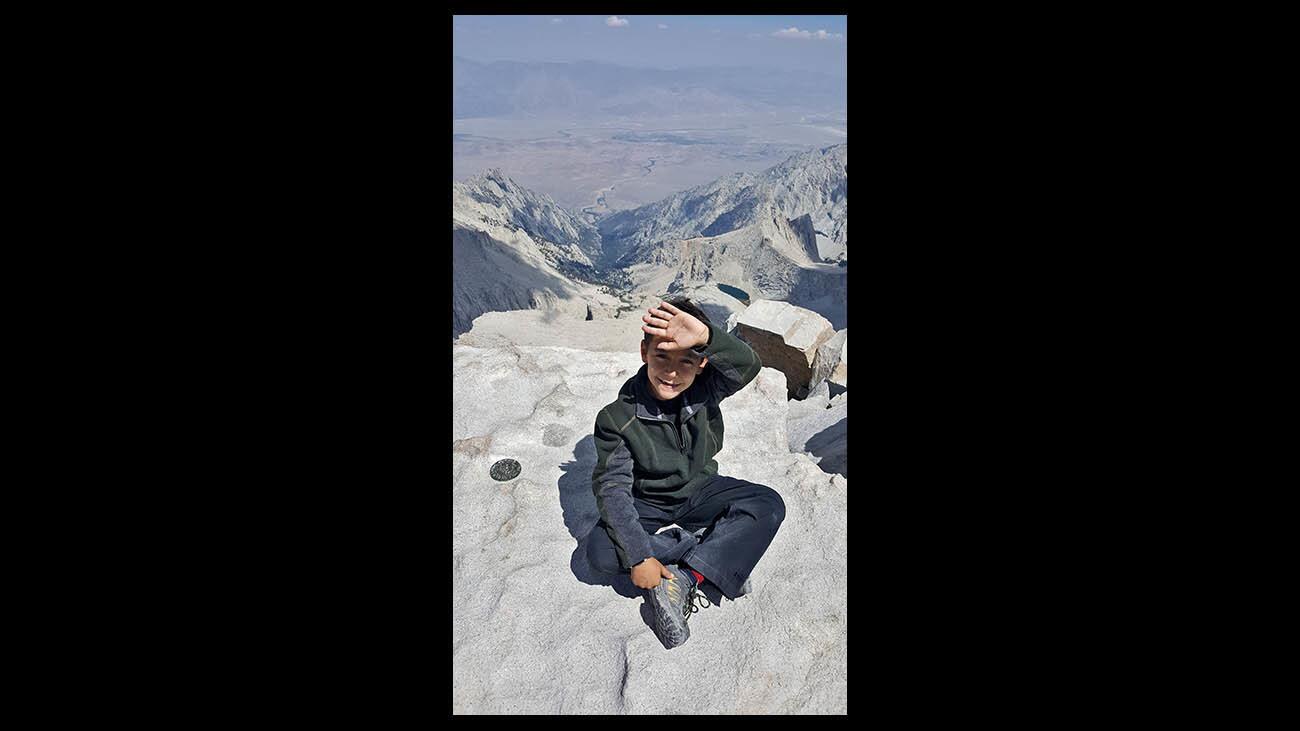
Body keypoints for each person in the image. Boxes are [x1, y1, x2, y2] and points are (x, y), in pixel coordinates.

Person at [584, 297, 786, 649]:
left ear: (702, 362)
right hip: (646, 501)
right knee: (599, 554)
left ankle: (686, 576)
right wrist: (639, 557)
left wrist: (706, 335)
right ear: (644, 351)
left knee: (769, 504)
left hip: (701, 489)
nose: (672, 372)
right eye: (662, 356)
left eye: (687, 360)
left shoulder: (707, 389)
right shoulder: (617, 418)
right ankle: (703, 547)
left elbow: (749, 365)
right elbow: (612, 490)